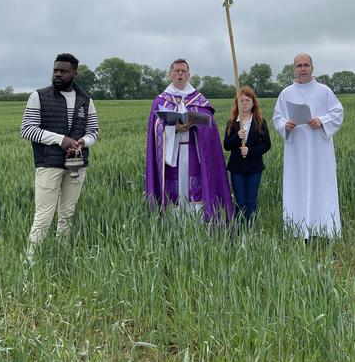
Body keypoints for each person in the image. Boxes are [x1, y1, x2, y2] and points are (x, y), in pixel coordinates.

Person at [20, 53, 99, 257]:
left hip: (76, 165)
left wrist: (84, 142)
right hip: (48, 164)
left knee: (67, 215)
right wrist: (60, 139)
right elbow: (27, 129)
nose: (57, 74)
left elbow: (94, 131)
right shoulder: (38, 96)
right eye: (55, 70)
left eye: (63, 71)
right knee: (44, 216)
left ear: (74, 73)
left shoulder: (85, 101)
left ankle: (61, 255)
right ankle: (31, 262)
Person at [145, 58, 233, 222]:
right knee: (174, 191)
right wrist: (173, 128)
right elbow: (155, 129)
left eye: (183, 71)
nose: (180, 74)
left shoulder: (199, 100)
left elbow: (209, 128)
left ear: (189, 75)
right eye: (176, 71)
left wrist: (195, 124)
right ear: (169, 74)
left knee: (196, 190)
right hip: (172, 154)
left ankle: (198, 222)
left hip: (195, 151)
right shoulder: (160, 101)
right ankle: (173, 223)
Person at [273, 53, 344, 239]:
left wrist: (321, 120)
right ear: (294, 68)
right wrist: (285, 126)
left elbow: (337, 113)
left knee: (322, 185)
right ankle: (297, 230)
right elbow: (277, 117)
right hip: (295, 149)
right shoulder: (286, 93)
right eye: (299, 65)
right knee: (297, 186)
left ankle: (325, 230)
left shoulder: (324, 91)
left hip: (319, 148)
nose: (302, 68)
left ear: (312, 67)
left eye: (306, 65)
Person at [223, 86, 272, 224]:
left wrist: (250, 151)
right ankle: (239, 230)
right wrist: (237, 137)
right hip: (237, 168)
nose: (244, 103)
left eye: (247, 100)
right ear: (237, 103)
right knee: (240, 201)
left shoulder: (260, 123)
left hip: (254, 167)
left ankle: (250, 229)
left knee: (251, 200)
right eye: (241, 100)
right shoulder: (232, 123)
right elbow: (226, 145)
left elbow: (266, 144)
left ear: (253, 103)